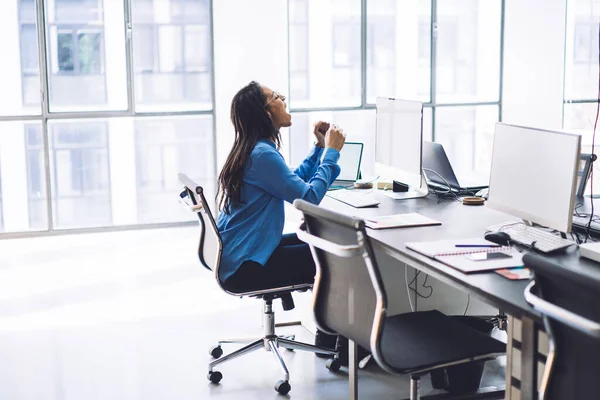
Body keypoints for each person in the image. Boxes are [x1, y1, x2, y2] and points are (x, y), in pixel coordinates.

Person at [216, 81, 346, 293]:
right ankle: (330, 324)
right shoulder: (262, 155)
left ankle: (330, 323)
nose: (283, 99)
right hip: (245, 266)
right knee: (332, 256)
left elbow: (290, 181)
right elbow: (308, 197)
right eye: (276, 96)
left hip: (241, 254)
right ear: (265, 113)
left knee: (322, 242)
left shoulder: (256, 149)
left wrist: (320, 147)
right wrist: (332, 153)